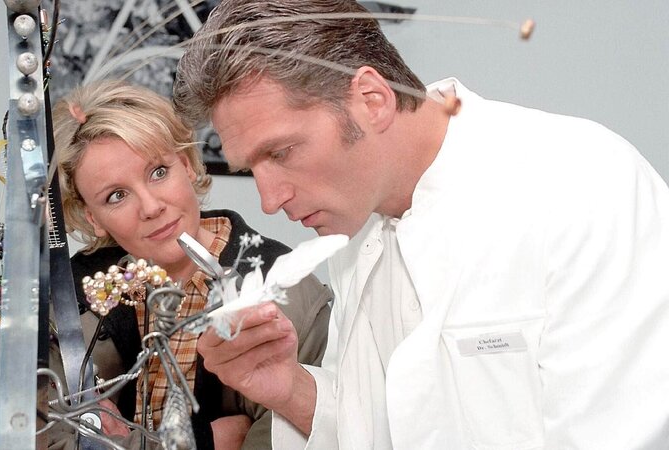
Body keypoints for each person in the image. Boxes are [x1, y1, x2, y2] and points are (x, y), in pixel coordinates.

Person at [171, 0, 669, 448]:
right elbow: (385, 424)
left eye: (281, 152)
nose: (269, 199)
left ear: (372, 99)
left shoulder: (582, 183)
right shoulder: (357, 223)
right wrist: (288, 388)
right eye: (251, 169)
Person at [48, 79, 332, 449]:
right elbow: (46, 439)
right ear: (93, 217)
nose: (151, 207)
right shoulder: (72, 298)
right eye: (116, 195)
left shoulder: (284, 289)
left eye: (158, 172)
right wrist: (209, 442)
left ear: (186, 165)